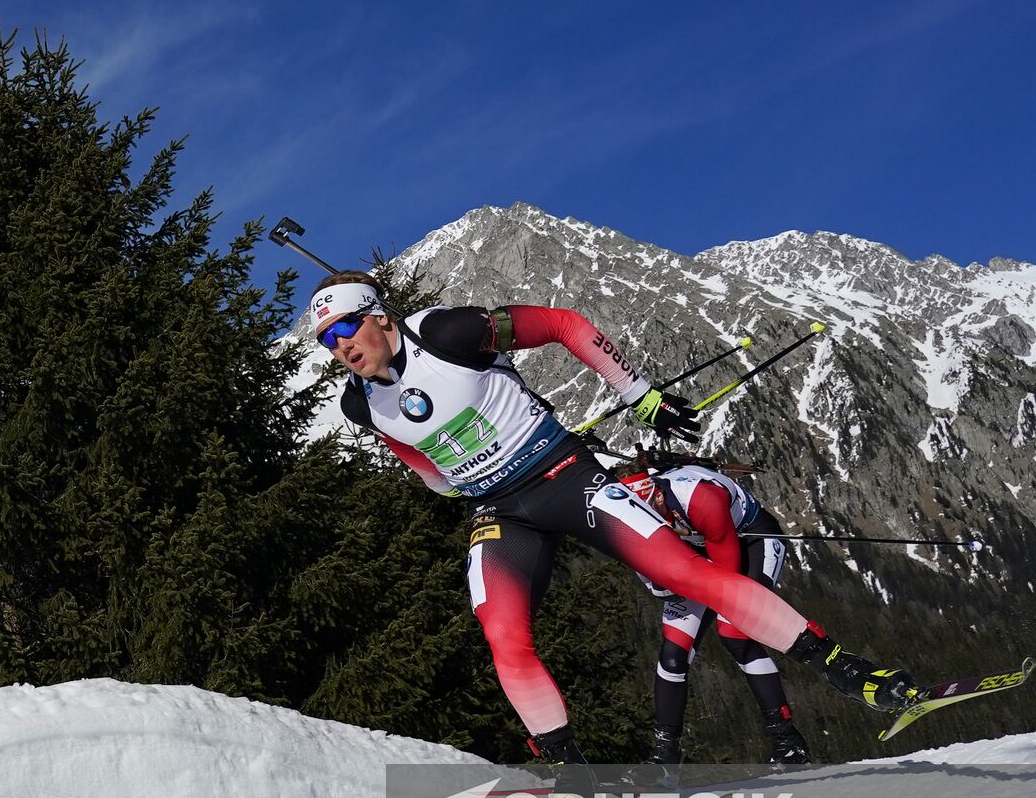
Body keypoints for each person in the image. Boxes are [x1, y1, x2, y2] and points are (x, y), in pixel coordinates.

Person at [311, 270, 921, 765]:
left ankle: (854, 675)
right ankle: (572, 778)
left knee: (686, 573)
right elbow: (416, 457)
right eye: (325, 340)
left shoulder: (445, 332)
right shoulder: (358, 404)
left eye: (344, 327)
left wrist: (639, 394)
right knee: (503, 635)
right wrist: (454, 485)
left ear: (379, 316)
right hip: (498, 510)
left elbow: (560, 324)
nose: (339, 347)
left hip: (563, 477)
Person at [616, 456, 812, 768]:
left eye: (654, 515)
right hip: (699, 551)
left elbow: (727, 581)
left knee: (736, 634)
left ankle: (787, 741)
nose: (651, 525)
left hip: (750, 539)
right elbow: (657, 586)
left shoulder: (700, 499)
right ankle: (665, 755)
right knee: (672, 655)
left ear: (659, 495)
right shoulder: (627, 521)